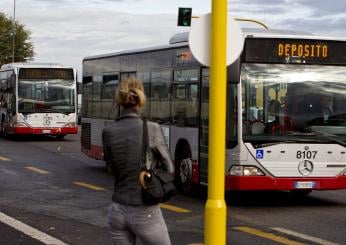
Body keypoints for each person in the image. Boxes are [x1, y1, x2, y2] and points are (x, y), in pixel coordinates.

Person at [102, 78, 174, 245]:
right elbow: (169, 168)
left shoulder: (108, 131)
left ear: (118, 99)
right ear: (142, 99)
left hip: (117, 210)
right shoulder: (152, 128)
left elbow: (112, 168)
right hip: (145, 211)